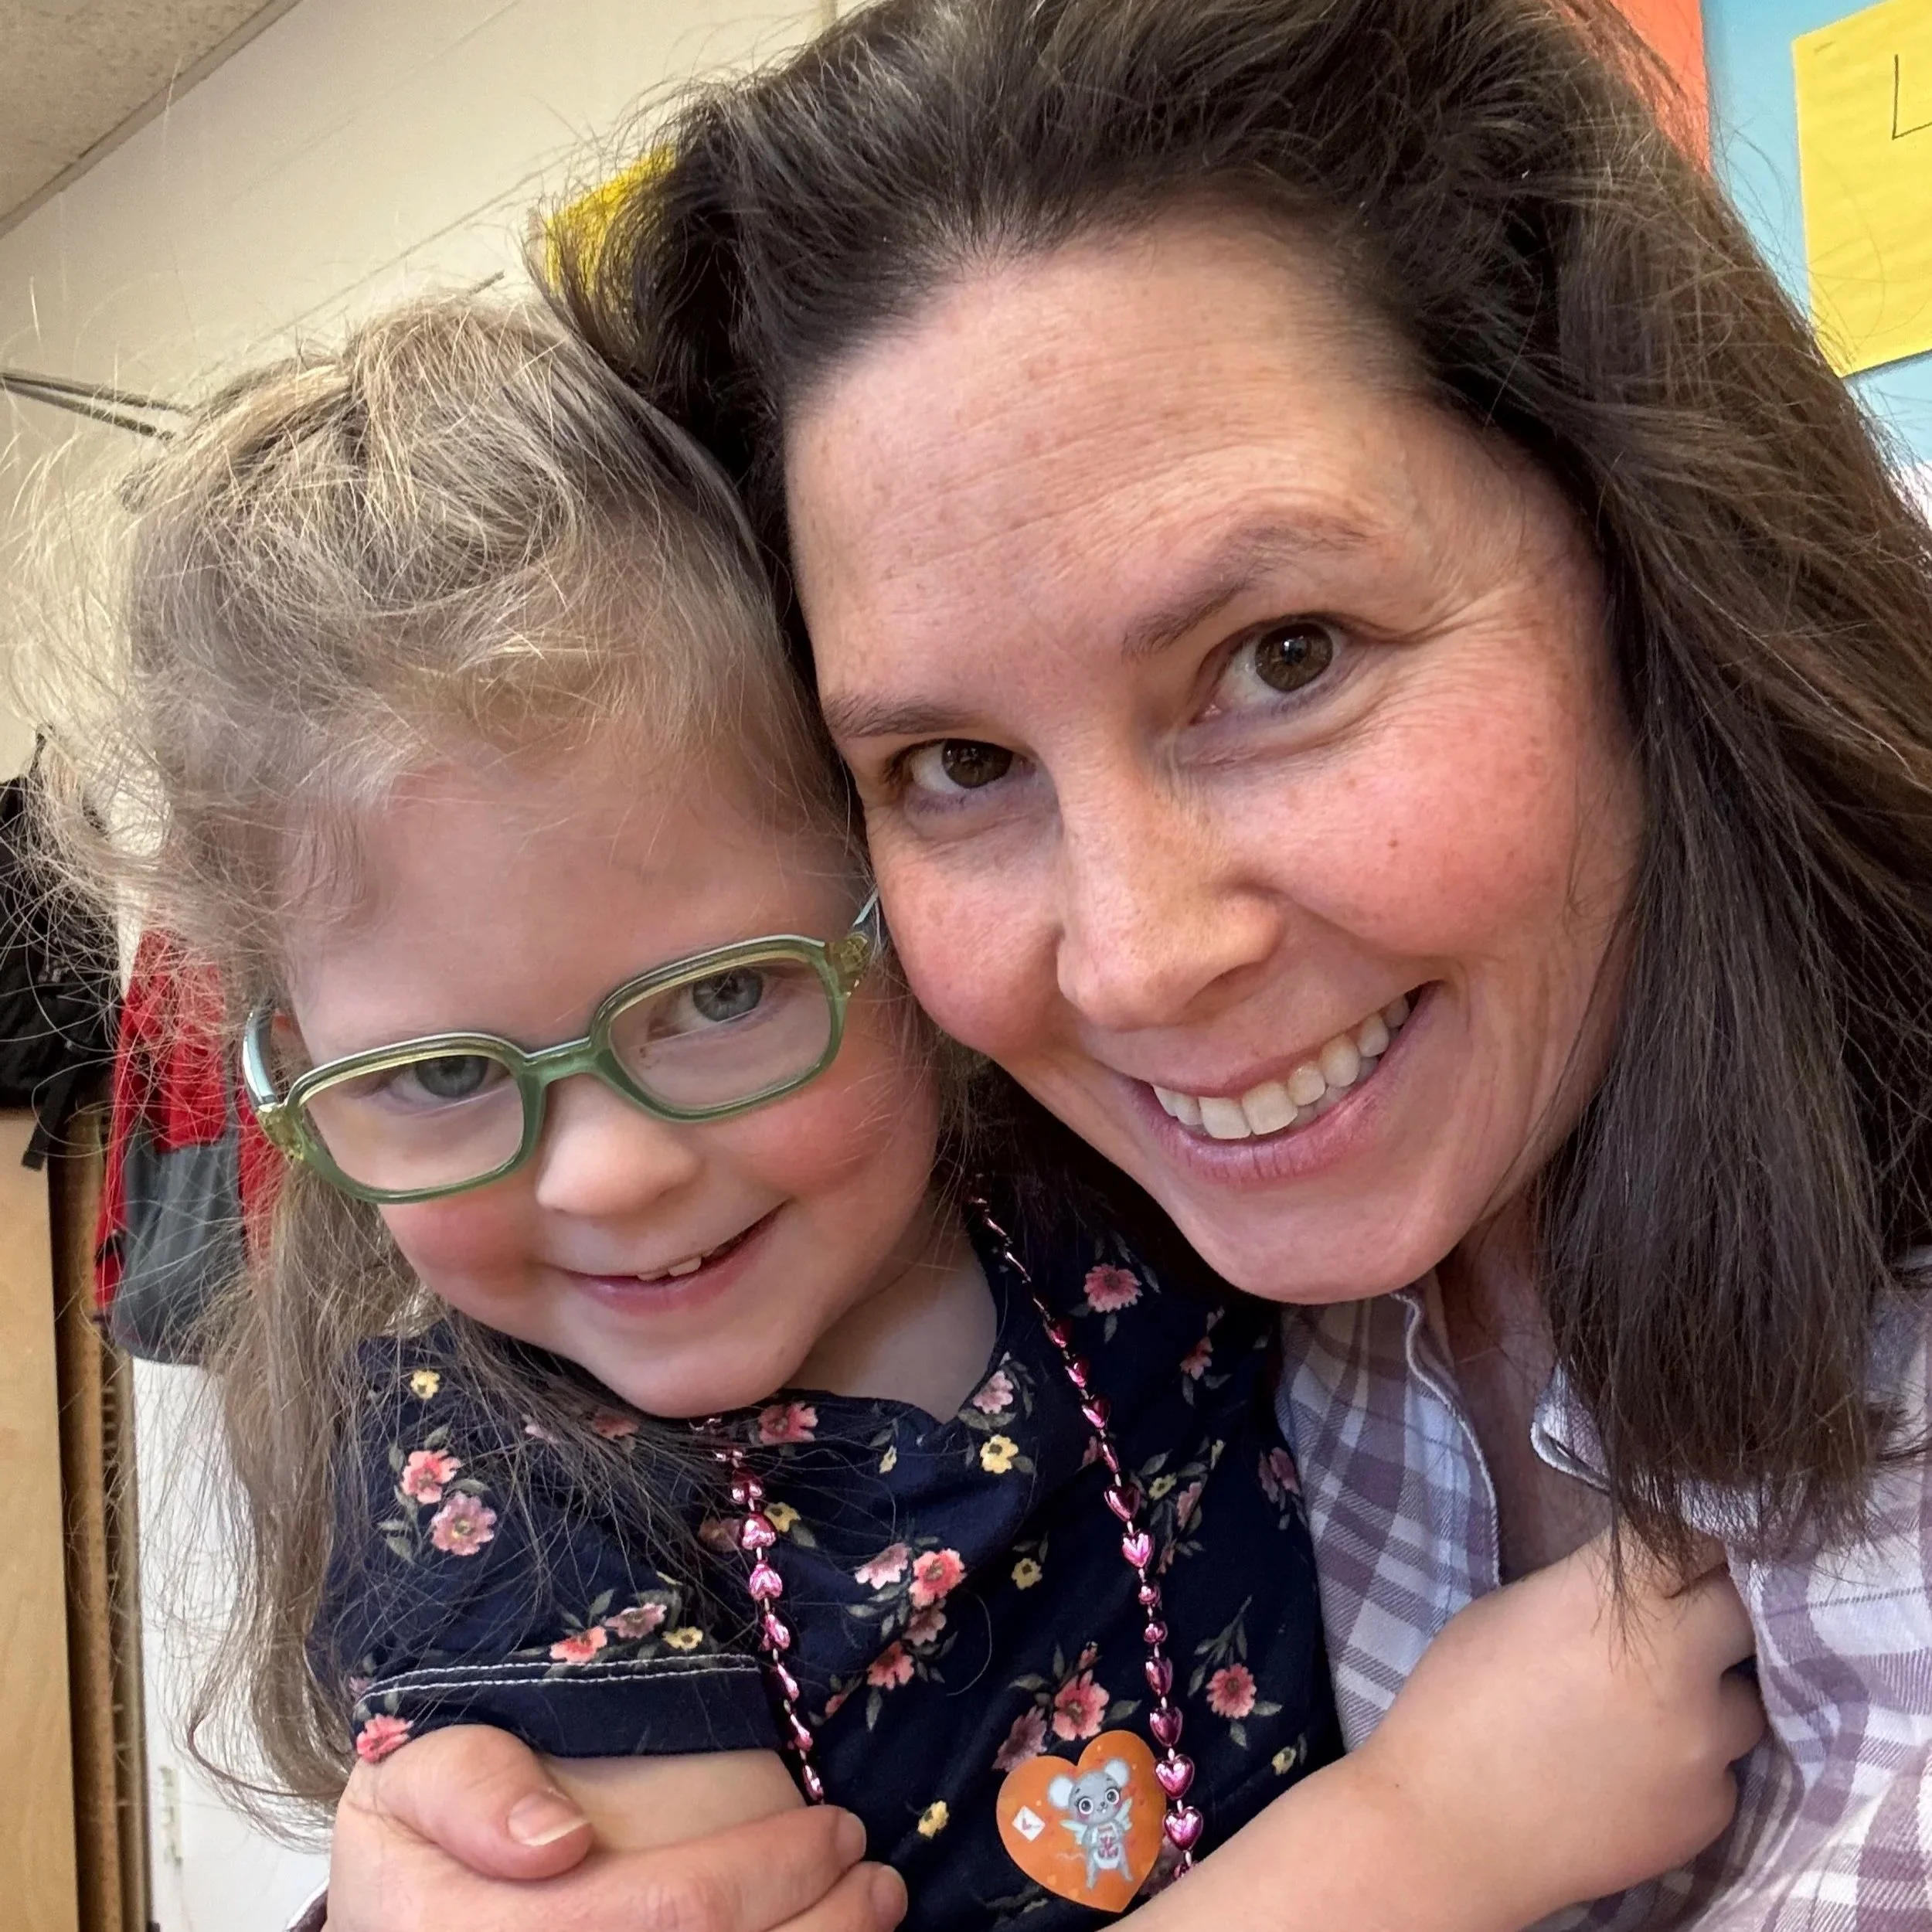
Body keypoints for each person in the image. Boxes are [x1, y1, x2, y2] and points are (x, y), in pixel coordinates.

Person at [339, 0, 1932, 1926]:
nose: (1133, 960)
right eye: (954, 765)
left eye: (1284, 654)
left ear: (1647, 553)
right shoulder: (1109, 1264)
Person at [36, 291, 1754, 1932]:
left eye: (724, 996)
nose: (614, 1169)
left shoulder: (1097, 1163)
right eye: (437, 1075)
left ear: (894, 868)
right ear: (287, 1066)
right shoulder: (495, 1486)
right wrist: (1434, 1831)